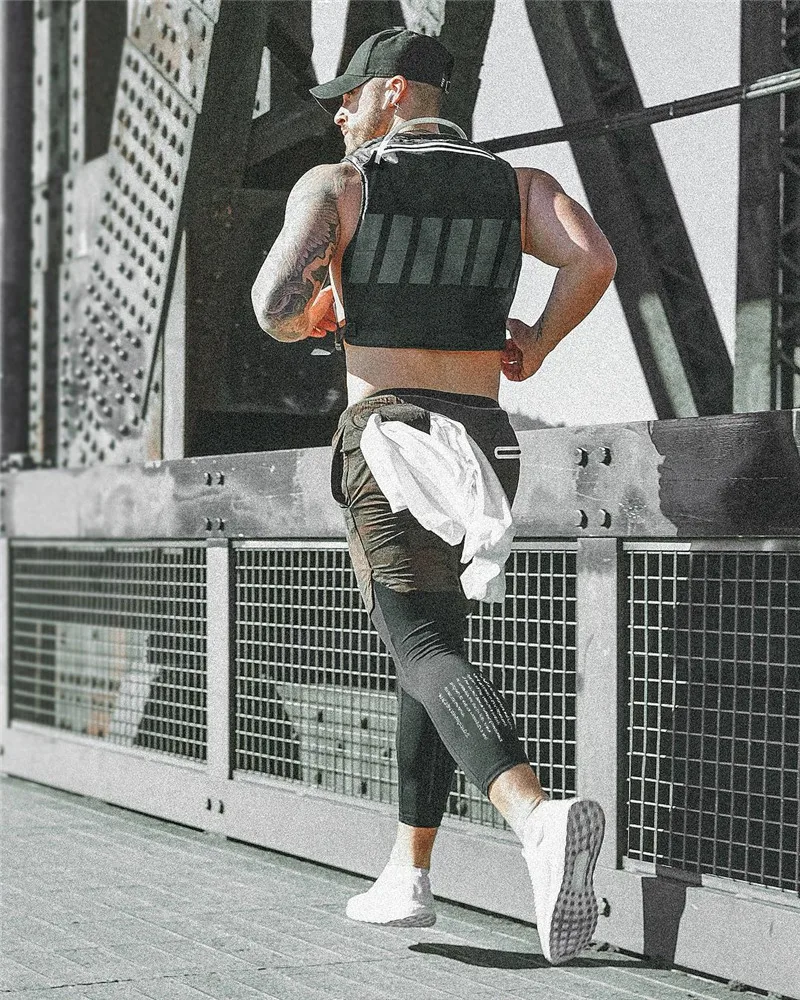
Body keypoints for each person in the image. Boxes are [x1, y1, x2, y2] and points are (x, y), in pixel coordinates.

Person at [251, 27, 617, 966]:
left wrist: (316, 311)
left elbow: (272, 303)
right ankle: (407, 874)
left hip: (392, 435)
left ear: (393, 92)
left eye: (351, 95)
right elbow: (594, 261)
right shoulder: (519, 187)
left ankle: (535, 816)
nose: (340, 112)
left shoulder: (342, 183)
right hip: (486, 441)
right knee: (435, 649)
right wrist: (537, 340)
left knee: (416, 645)